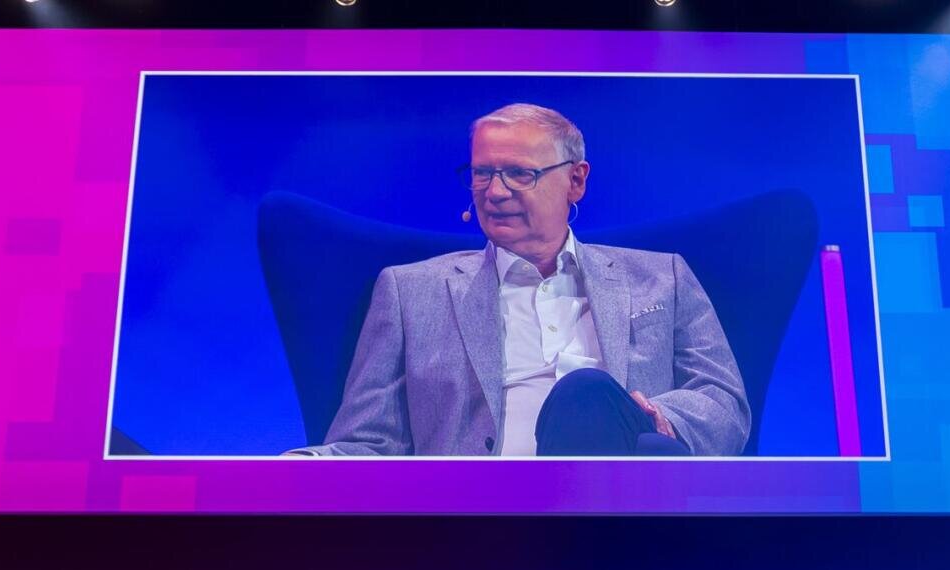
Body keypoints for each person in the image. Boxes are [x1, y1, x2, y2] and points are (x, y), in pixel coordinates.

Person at [292, 103, 749, 457]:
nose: (494, 192)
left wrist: (651, 416)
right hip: (472, 514)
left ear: (576, 181)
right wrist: (296, 466)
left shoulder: (663, 278)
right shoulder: (409, 292)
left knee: (585, 393)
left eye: (518, 174)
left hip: (627, 506)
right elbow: (369, 441)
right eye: (482, 174)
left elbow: (724, 403)